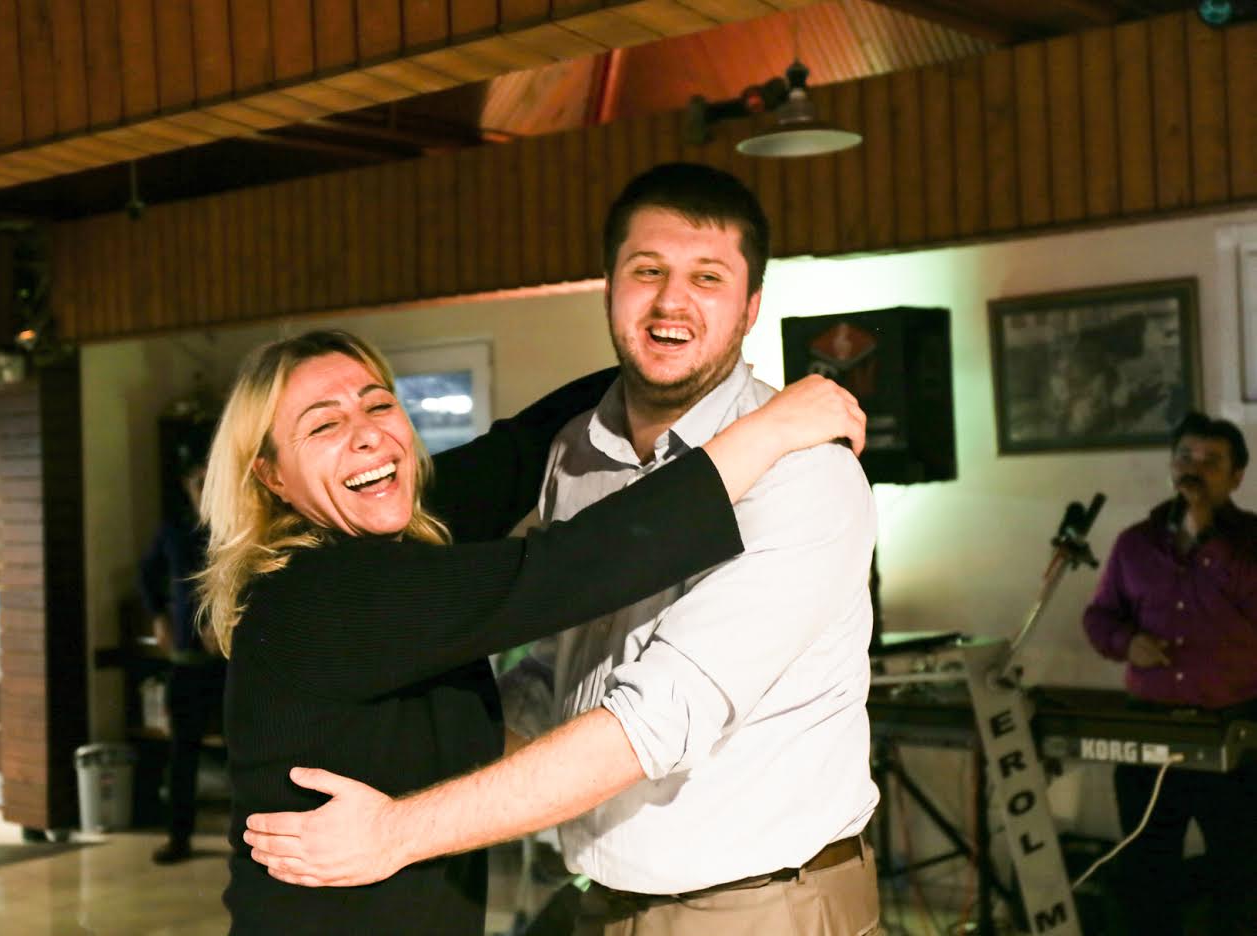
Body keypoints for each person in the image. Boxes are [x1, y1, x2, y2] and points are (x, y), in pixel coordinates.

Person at [244, 163, 882, 936]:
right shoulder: (330, 581)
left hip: (759, 908)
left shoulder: (803, 470)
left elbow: (646, 720)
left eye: (707, 278)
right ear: (608, 288)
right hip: (593, 904)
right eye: (646, 271)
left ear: (751, 308)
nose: (671, 300)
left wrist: (400, 828)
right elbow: (564, 589)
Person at [1082, 411, 1257, 936]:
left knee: (1241, 872)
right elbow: (1099, 617)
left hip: (1235, 730)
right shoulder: (1135, 543)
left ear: (1237, 477)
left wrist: (1206, 535)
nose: (1193, 469)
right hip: (1150, 729)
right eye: (1185, 457)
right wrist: (1126, 643)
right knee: (1147, 873)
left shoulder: (1251, 544)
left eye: (1211, 461)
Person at [137, 454, 225, 865]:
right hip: (188, 657)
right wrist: (159, 616)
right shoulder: (175, 531)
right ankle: (179, 836)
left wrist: (226, 622)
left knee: (246, 750)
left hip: (233, 661)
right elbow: (147, 575)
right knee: (182, 751)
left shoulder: (236, 526)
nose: (205, 490)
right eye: (199, 483)